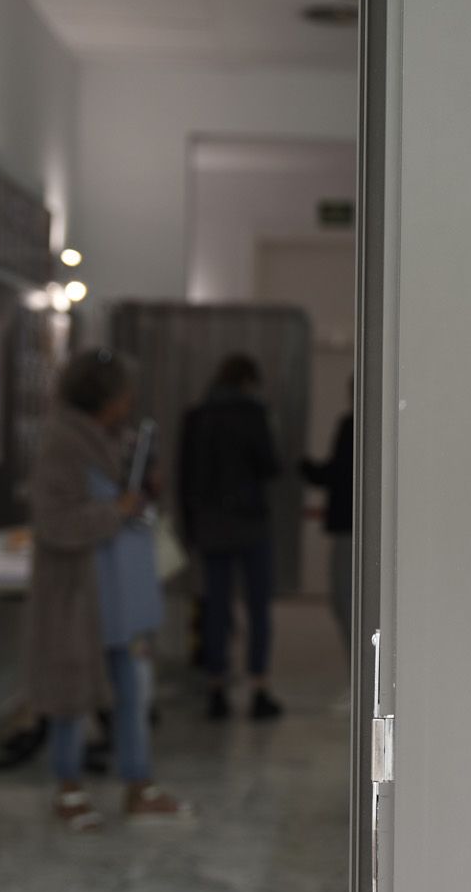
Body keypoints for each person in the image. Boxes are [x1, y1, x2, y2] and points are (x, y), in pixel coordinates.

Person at [25, 347, 189, 831]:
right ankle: (68, 790)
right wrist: (114, 511)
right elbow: (54, 523)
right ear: (102, 396)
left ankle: (140, 785)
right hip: (82, 596)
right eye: (122, 392)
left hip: (128, 596)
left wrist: (143, 493)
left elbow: (128, 504)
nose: (130, 400)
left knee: (134, 695)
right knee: (71, 696)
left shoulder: (117, 439)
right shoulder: (62, 445)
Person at [178, 353, 283, 720]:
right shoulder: (254, 414)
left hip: (211, 524)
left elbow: (186, 477)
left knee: (216, 607)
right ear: (247, 380)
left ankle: (216, 687)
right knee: (258, 608)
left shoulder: (198, 416)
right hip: (250, 523)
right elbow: (271, 465)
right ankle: (259, 688)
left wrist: (190, 529)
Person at [302, 388, 352, 645]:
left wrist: (307, 469)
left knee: (346, 602)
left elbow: (337, 472)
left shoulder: (351, 425)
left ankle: (356, 673)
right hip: (357, 526)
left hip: (349, 526)